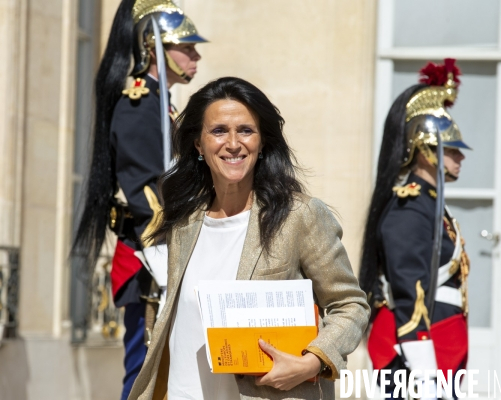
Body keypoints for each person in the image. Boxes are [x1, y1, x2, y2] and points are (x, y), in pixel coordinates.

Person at [127, 77, 369, 400]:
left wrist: (311, 363)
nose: (233, 143)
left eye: (245, 130)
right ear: (198, 144)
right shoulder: (183, 222)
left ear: (262, 141)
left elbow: (350, 305)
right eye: (218, 131)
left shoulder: (300, 215)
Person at [71, 1, 206, 399]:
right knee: (146, 376)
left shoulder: (162, 106)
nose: (196, 55)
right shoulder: (138, 104)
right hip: (151, 257)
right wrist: (175, 249)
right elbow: (145, 192)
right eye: (187, 47)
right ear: (154, 48)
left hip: (166, 252)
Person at [359, 59, 471, 399]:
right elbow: (410, 293)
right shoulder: (410, 207)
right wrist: (424, 376)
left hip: (442, 341)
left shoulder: (431, 205)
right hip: (414, 355)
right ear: (425, 150)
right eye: (451, 149)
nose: (460, 158)